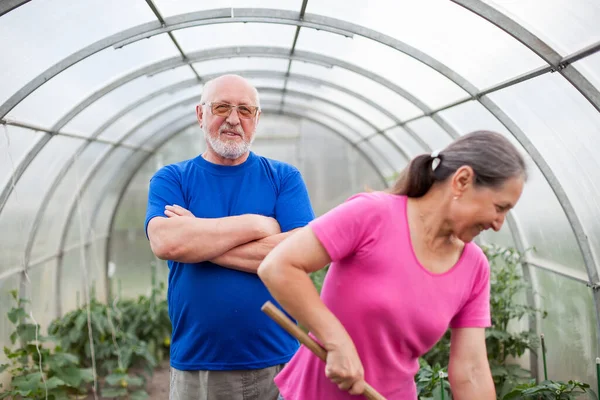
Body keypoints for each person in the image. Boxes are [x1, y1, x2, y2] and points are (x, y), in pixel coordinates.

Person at [258, 130, 528, 400]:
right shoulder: (373, 215)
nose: (498, 223)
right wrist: (336, 341)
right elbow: (279, 266)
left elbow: (471, 371)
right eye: (499, 207)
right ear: (462, 181)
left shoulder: (474, 267)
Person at [144, 74, 315, 400]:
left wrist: (197, 240)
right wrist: (258, 224)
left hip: (280, 363)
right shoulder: (173, 179)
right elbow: (167, 243)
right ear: (200, 114)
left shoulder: (284, 178)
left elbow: (302, 255)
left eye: (245, 111)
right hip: (200, 365)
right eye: (222, 107)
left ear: (257, 119)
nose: (234, 119)